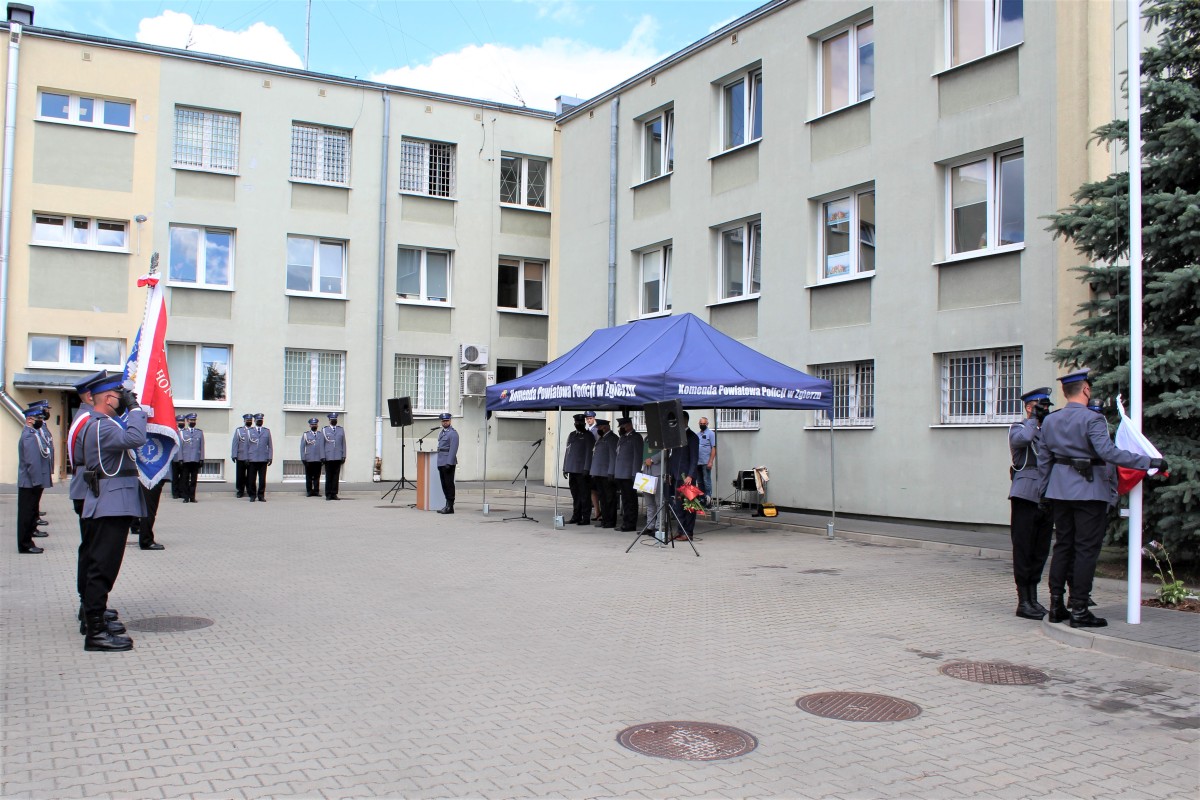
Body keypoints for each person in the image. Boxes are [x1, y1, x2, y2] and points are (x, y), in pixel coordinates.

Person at [1038, 368, 1166, 628]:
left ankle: (1056, 606)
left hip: (1059, 491)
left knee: (1063, 546)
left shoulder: (1050, 420)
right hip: (1089, 491)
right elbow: (1108, 452)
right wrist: (1149, 461)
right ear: (1086, 389)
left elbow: (1044, 460)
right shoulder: (1092, 419)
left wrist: (1044, 492)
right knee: (1086, 549)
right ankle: (1080, 609)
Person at [77, 373, 147, 652]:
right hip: (110, 505)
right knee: (102, 569)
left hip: (109, 503)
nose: (122, 400)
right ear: (108, 398)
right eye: (120, 396)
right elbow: (136, 437)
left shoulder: (99, 424)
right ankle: (95, 633)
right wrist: (136, 409)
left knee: (101, 566)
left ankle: (95, 622)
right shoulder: (101, 426)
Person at [66, 371, 126, 638]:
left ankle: (92, 610)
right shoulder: (89, 421)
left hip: (89, 489)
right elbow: (84, 459)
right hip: (91, 490)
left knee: (93, 552)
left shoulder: (86, 418)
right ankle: (90, 612)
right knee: (96, 554)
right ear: (91, 395)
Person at [1008, 387, 1054, 620]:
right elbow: (1025, 439)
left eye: (1046, 406)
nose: (1045, 409)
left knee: (1040, 551)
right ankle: (1023, 601)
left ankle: (1033, 599)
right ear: (1029, 407)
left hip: (1047, 495)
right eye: (1040, 406)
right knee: (1024, 549)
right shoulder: (1018, 428)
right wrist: (1033, 419)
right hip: (1025, 495)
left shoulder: (1047, 431)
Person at [17, 405, 50, 554]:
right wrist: (37, 482)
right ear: (30, 419)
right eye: (38, 418)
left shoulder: (33, 434)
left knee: (30, 514)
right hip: (29, 483)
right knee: (26, 515)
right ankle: (25, 545)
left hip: (32, 482)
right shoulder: (29, 436)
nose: (40, 421)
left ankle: (28, 541)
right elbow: (32, 462)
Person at [667, 411, 701, 541]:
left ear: (685, 421)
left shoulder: (692, 437)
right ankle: (680, 530)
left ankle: (688, 532)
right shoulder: (677, 437)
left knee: (689, 506)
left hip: (687, 478)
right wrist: (670, 473)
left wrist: (690, 475)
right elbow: (673, 457)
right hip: (676, 476)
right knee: (678, 505)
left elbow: (694, 458)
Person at [613, 417, 644, 531]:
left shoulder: (636, 437)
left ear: (629, 425)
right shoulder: (622, 438)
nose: (621, 429)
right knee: (625, 500)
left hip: (629, 474)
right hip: (621, 474)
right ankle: (625, 522)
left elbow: (637, 457)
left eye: (623, 426)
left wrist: (635, 474)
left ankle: (630, 524)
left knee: (631, 500)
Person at [562, 413, 593, 525]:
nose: (577, 424)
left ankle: (586, 517)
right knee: (575, 495)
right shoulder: (572, 435)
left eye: (580, 422)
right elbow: (568, 451)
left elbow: (589, 453)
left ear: (584, 423)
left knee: (584, 495)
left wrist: (587, 468)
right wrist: (565, 467)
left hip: (582, 470)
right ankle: (576, 516)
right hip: (572, 469)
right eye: (576, 422)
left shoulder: (588, 435)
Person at [590, 418, 618, 528]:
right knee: (602, 498)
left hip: (607, 474)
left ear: (605, 427)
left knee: (610, 498)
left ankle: (610, 521)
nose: (597, 429)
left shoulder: (612, 438)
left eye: (599, 427)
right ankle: (605, 519)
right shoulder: (601, 439)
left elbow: (613, 457)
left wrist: (611, 472)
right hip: (599, 473)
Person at [245, 413, 272, 502]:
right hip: (252, 459)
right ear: (255, 421)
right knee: (252, 479)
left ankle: (261, 495)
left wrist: (270, 457)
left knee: (262, 479)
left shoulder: (267, 431)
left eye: (261, 420)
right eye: (258, 420)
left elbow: (270, 445)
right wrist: (246, 457)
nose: (260, 422)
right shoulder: (250, 431)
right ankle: (252, 495)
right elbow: (246, 446)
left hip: (263, 459)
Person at [179, 412, 205, 503]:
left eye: (194, 420)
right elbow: (180, 447)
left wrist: (201, 458)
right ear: (187, 421)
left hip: (195, 459)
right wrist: (180, 458)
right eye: (191, 420)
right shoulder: (182, 433)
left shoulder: (199, 432)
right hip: (186, 459)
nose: (193, 422)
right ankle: (186, 497)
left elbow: (202, 446)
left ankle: (192, 497)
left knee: (194, 480)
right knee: (185, 479)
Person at [436, 412, 458, 514]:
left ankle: (450, 506)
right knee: (444, 484)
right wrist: (439, 463)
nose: (445, 422)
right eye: (443, 421)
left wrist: (449, 463)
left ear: (450, 421)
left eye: (447, 421)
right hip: (441, 462)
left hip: (448, 463)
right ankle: (447, 505)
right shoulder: (442, 433)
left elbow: (453, 449)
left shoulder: (453, 433)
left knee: (449, 484)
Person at [322, 412, 346, 500]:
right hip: (328, 457)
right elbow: (322, 444)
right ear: (329, 420)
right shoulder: (324, 430)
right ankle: (328, 494)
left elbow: (343, 443)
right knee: (329, 476)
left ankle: (334, 493)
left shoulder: (341, 430)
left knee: (336, 477)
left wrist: (344, 455)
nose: (334, 421)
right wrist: (322, 456)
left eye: (335, 419)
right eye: (332, 419)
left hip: (338, 456)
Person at [300, 417, 325, 497]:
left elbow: (323, 446)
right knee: (309, 476)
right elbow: (302, 447)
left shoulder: (321, 434)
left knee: (317, 476)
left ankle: (316, 491)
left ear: (317, 425)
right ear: (310, 425)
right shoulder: (306, 434)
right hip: (309, 459)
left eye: (315, 424)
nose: (314, 425)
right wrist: (303, 458)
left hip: (318, 459)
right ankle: (309, 491)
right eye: (312, 424)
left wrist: (323, 457)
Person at [584, 411, 601, 521]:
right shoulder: (588, 430)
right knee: (592, 489)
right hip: (589, 463)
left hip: (595, 463)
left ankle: (598, 512)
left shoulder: (596, 430)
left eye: (590, 418)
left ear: (594, 418)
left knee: (596, 488)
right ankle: (596, 511)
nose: (588, 420)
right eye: (587, 418)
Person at [231, 413, 253, 497]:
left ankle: (250, 490)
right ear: (244, 421)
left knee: (250, 475)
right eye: (247, 420)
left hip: (251, 457)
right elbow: (235, 443)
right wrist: (234, 455)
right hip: (241, 456)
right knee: (240, 475)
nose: (249, 421)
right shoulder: (239, 430)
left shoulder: (254, 430)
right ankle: (240, 490)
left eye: (250, 420)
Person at [696, 416, 717, 503]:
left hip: (706, 462)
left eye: (704, 423)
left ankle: (708, 499)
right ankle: (702, 498)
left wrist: (711, 461)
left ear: (707, 424)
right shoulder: (697, 435)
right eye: (701, 423)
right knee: (699, 481)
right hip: (698, 462)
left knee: (706, 480)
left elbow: (714, 448)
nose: (702, 425)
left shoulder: (711, 434)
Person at [170, 415, 185, 499]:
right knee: (175, 476)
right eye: (180, 421)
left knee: (183, 476)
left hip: (184, 457)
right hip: (175, 457)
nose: (181, 423)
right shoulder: (174, 432)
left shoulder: (186, 431)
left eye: (183, 421)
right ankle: (175, 493)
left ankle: (182, 492)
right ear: (176, 422)